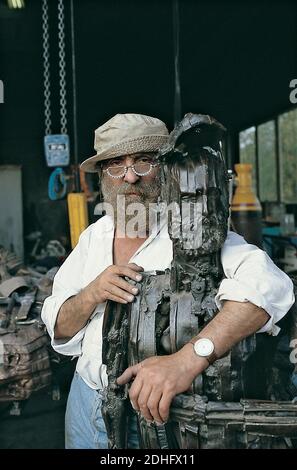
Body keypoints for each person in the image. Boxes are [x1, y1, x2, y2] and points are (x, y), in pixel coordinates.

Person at [41, 113, 295, 449]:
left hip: (152, 418)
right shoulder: (94, 237)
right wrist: (91, 294)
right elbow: (58, 327)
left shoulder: (193, 231)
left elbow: (272, 289)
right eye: (116, 164)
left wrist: (187, 360)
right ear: (104, 175)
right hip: (84, 403)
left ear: (166, 168)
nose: (130, 176)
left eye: (144, 161)